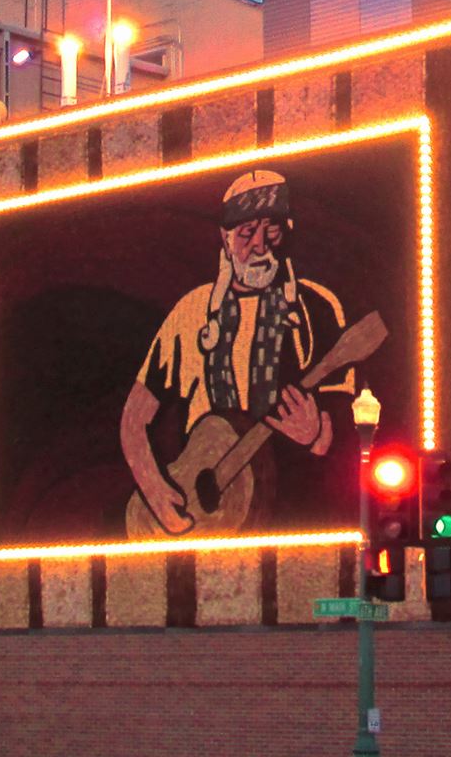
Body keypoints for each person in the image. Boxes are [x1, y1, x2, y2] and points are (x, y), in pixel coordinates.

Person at [120, 169, 353, 536]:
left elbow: (350, 430)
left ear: (286, 231)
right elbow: (134, 418)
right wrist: (156, 489)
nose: (260, 246)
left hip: (288, 523)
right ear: (225, 239)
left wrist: (316, 439)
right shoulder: (192, 312)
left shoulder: (315, 309)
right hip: (202, 528)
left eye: (271, 230)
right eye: (246, 233)